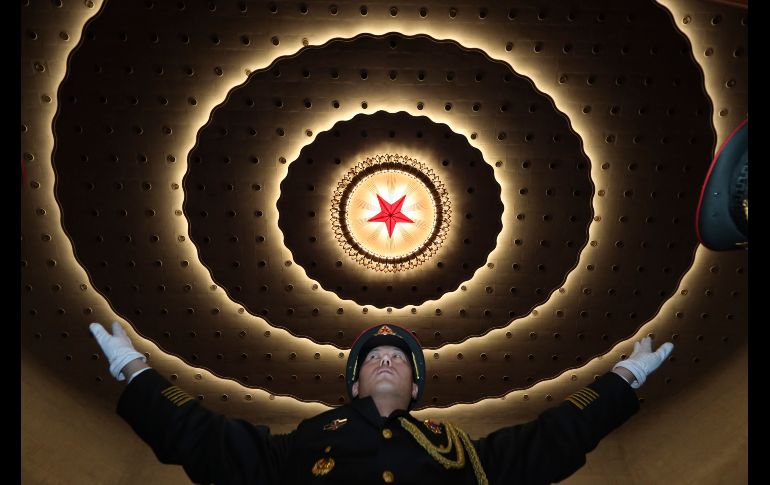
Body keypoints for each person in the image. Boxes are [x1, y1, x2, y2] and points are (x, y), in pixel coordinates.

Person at [90, 322, 673, 484]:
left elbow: (552, 442)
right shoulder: (303, 444)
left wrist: (622, 379)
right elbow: (206, 441)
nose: (387, 359)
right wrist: (135, 370)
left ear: (417, 389)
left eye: (398, 358)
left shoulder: (463, 454)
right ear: (353, 386)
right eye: (373, 357)